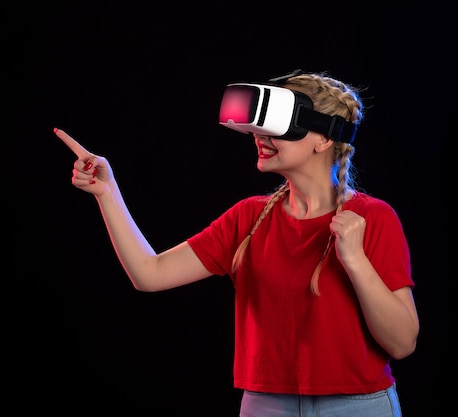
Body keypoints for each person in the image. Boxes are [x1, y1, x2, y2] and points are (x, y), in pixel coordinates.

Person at [52, 70, 419, 417]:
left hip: (357, 406)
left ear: (323, 139)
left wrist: (355, 260)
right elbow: (150, 274)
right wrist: (107, 191)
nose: (260, 138)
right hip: (266, 406)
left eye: (276, 127)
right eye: (258, 128)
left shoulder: (373, 218)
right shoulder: (248, 217)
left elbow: (402, 343)